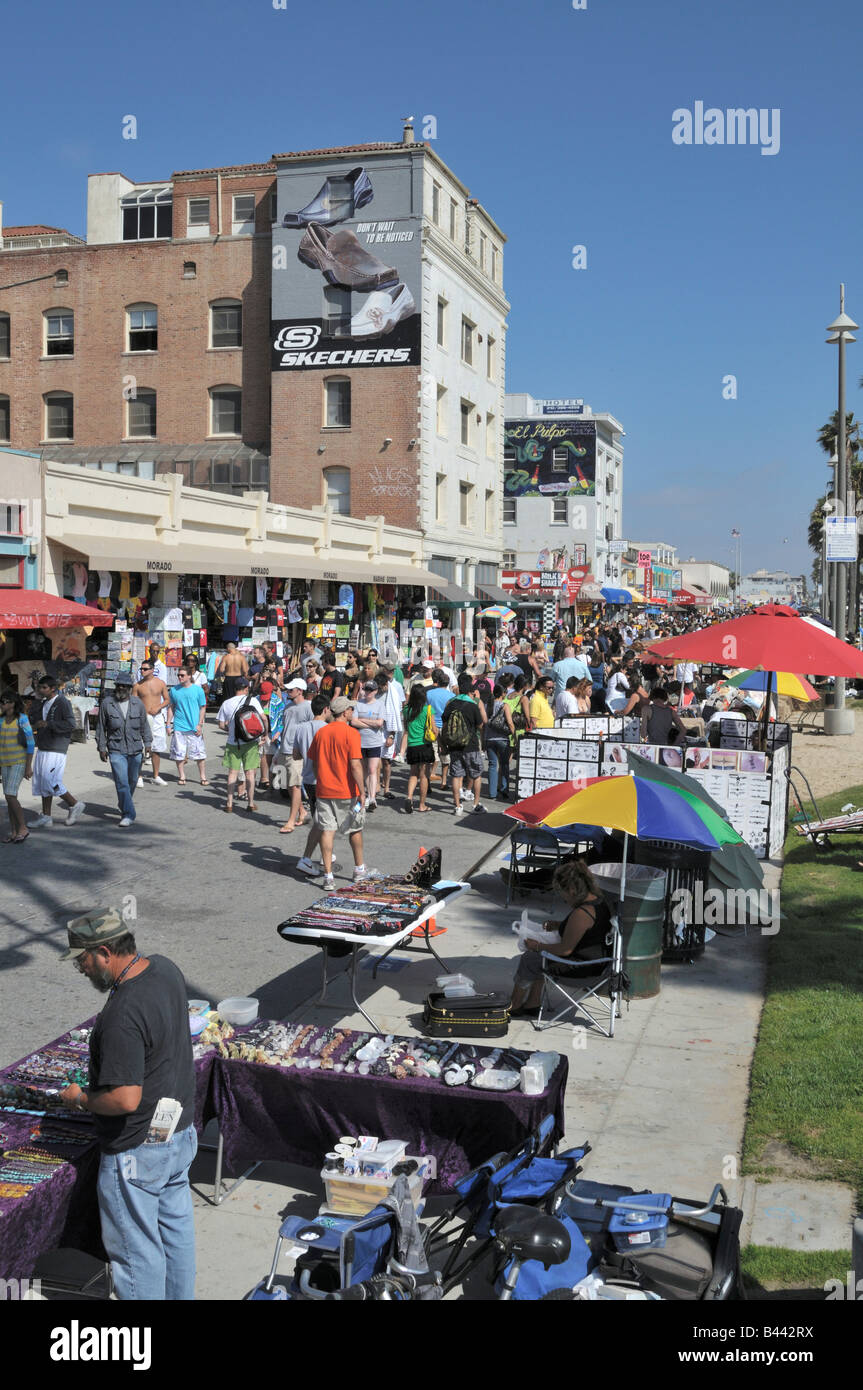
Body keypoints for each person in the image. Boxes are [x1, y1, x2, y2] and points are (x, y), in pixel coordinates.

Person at [59, 909, 197, 1301]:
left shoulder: (121, 1013)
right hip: (179, 1134)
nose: (80, 969)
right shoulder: (166, 969)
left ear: (104, 952)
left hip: (138, 1150)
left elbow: (125, 1098)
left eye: (82, 959)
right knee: (176, 1235)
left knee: (137, 1255)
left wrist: (82, 1099)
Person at [510, 859, 612, 1018]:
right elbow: (587, 931)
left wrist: (536, 945)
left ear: (571, 890)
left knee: (531, 958)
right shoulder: (598, 901)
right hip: (599, 963)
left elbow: (565, 950)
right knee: (541, 955)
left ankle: (514, 1004)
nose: (563, 899)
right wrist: (559, 925)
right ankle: (532, 1003)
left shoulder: (582, 913)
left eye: (562, 894)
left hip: (581, 967)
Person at [296, 696, 369, 890]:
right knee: (355, 829)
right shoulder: (351, 734)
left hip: (324, 788)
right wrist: (363, 790)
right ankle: (359, 869)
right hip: (347, 790)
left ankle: (328, 876)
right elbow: (355, 765)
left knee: (327, 830)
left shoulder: (322, 733)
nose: (352, 712)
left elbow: (314, 760)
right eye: (351, 710)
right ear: (344, 712)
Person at [29, 675, 86, 828]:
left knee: (50, 781)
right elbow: (34, 721)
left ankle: (74, 804)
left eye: (44, 688)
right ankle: (46, 816)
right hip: (42, 746)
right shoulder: (42, 703)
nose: (40, 690)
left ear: (52, 688)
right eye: (39, 687)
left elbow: (70, 724)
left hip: (56, 748)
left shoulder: (62, 702)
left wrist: (49, 724)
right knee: (42, 781)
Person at [97, 676, 152, 827]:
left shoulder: (137, 704)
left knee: (132, 781)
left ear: (129, 688)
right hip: (116, 749)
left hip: (135, 749)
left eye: (124, 685)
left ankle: (124, 804)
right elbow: (101, 727)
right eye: (119, 685)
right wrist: (102, 748)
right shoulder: (107, 703)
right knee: (121, 782)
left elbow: (144, 726)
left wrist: (148, 743)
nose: (121, 688)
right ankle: (128, 814)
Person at [218, 675, 268, 813]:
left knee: (232, 773)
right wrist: (265, 734)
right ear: (246, 688)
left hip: (233, 743)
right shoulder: (252, 700)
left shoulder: (226, 703)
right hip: (251, 742)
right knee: (250, 773)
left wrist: (231, 729)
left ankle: (229, 803)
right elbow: (263, 718)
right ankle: (251, 803)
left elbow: (221, 725)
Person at [441, 672, 487, 815]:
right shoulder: (472, 706)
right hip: (471, 745)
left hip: (454, 745)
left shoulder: (451, 703)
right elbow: (481, 725)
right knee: (476, 774)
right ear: (470, 692)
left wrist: (444, 744)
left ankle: (458, 806)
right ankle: (475, 804)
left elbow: (444, 723)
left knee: (456, 775)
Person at [278, 679, 314, 832]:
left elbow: (314, 728)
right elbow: (285, 728)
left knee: (295, 785)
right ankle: (302, 812)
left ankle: (291, 821)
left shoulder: (308, 707)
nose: (288, 691)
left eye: (291, 689)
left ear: (300, 691)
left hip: (297, 752)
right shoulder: (288, 707)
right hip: (284, 749)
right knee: (288, 786)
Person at [0, 689, 34, 842]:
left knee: (10, 794)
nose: (1, 705)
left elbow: (31, 743)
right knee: (9, 797)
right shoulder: (1, 720)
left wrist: (28, 766)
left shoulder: (22, 719)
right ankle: (14, 832)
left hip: (19, 762)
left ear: (12, 703)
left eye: (4, 702)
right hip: (4, 763)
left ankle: (23, 828)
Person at [167, 666, 208, 786]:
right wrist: (168, 724)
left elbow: (203, 707)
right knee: (179, 753)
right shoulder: (174, 690)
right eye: (178, 675)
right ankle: (182, 775)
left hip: (194, 726)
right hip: (179, 726)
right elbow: (171, 707)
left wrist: (200, 724)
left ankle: (202, 776)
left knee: (199, 754)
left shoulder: (198, 690)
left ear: (189, 676)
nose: (179, 677)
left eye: (182, 675)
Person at [132, 660, 170, 786]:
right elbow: (134, 703)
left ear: (152, 670)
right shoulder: (137, 685)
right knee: (140, 747)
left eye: (145, 669)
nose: (142, 671)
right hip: (143, 718)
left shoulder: (160, 683)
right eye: (141, 669)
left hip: (157, 717)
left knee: (157, 748)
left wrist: (158, 707)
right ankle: (139, 776)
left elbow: (167, 700)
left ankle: (156, 775)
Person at [399, 681, 435, 814]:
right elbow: (433, 729)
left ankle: (409, 797)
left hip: (412, 746)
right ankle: (422, 804)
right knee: (424, 776)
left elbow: (406, 729)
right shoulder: (427, 710)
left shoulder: (407, 710)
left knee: (413, 774)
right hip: (425, 745)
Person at [353, 679, 387, 811]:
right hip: (360, 742)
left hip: (374, 742)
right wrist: (370, 723)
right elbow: (354, 722)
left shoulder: (379, 705)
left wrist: (362, 720)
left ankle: (372, 797)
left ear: (375, 691)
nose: (368, 692)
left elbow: (380, 723)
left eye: (370, 690)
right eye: (366, 689)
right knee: (365, 770)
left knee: (373, 769)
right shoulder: (358, 704)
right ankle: (367, 794)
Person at [378, 664, 406, 797]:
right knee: (375, 760)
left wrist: (392, 735)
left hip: (388, 730)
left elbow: (396, 712)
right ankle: (376, 786)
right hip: (375, 731)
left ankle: (387, 788)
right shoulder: (374, 692)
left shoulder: (394, 691)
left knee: (386, 761)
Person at [425, 667, 455, 792]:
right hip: (445, 727)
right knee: (445, 755)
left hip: (431, 726)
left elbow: (426, 711)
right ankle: (443, 781)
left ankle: (427, 782)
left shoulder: (428, 694)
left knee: (430, 755)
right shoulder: (452, 696)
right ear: (447, 683)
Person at [485, 683, 515, 801]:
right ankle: (504, 789)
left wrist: (483, 739)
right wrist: (514, 737)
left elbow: (484, 724)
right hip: (502, 739)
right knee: (504, 764)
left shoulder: (488, 705)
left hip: (489, 739)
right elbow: (510, 723)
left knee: (492, 765)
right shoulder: (504, 705)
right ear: (503, 694)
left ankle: (492, 793)